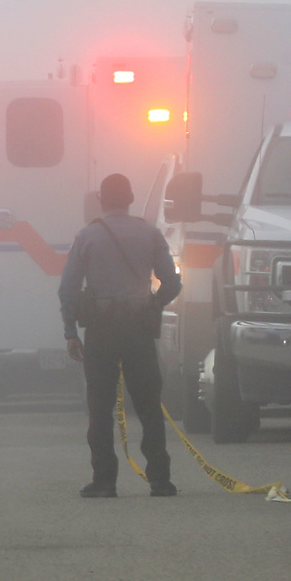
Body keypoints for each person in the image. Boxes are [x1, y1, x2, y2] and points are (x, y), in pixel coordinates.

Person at [58, 174, 182, 498]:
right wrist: (154, 305)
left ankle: (104, 481)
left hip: (101, 330)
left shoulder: (87, 236)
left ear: (101, 200)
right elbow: (173, 282)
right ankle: (160, 480)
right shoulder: (150, 233)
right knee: (149, 407)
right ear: (130, 198)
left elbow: (68, 288)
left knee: (100, 409)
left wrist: (71, 331)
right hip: (139, 328)